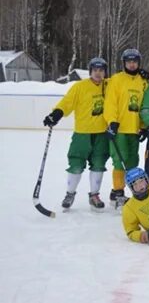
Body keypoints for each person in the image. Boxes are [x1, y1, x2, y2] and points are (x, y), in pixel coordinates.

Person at [43, 57, 110, 210]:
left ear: (105, 72)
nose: (98, 74)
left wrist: (140, 74)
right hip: (82, 134)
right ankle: (70, 193)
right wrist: (56, 115)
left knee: (99, 164)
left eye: (101, 71)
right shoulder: (79, 87)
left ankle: (94, 195)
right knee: (76, 164)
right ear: (90, 71)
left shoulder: (109, 85)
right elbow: (67, 103)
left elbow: (125, 84)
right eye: (95, 70)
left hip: (102, 134)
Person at [103, 48, 149, 207]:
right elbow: (110, 102)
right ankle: (117, 192)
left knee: (132, 161)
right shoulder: (116, 79)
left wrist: (143, 126)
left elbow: (144, 104)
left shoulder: (143, 80)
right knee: (119, 161)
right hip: (119, 129)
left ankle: (134, 190)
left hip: (134, 129)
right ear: (124, 63)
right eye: (129, 61)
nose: (131, 64)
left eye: (134, 61)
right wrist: (112, 121)